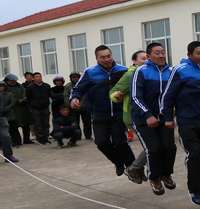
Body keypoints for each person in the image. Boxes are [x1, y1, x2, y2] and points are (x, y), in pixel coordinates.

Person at [162, 41, 200, 205]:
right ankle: (194, 189)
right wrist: (168, 117)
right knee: (194, 155)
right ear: (189, 55)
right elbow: (168, 95)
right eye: (198, 53)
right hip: (187, 121)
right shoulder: (180, 70)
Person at [71, 45, 135, 178]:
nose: (107, 59)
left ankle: (133, 167)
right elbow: (78, 88)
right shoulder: (90, 72)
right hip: (99, 114)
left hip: (119, 113)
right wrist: (75, 98)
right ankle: (118, 162)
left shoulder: (123, 70)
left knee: (120, 142)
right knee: (101, 143)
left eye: (109, 56)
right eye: (103, 57)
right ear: (96, 58)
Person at [131, 43, 176, 196]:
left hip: (164, 118)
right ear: (149, 57)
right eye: (157, 53)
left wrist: (171, 115)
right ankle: (154, 178)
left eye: (163, 52)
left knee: (169, 147)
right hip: (143, 119)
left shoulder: (171, 72)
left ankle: (166, 174)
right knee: (154, 149)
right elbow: (135, 97)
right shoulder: (141, 71)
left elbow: (174, 95)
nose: (161, 55)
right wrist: (147, 115)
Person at [109, 50, 149, 184]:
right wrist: (116, 96)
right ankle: (134, 168)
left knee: (157, 146)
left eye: (147, 58)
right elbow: (113, 92)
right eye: (143, 58)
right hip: (134, 117)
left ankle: (138, 168)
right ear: (134, 61)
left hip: (150, 116)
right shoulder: (131, 74)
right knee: (151, 146)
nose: (146, 61)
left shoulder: (152, 72)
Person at [25, 72, 52, 145]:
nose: (38, 78)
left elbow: (49, 95)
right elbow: (28, 98)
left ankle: (46, 138)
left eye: (39, 77)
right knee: (38, 124)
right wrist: (31, 106)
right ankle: (40, 139)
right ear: (33, 78)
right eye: (36, 77)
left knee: (45, 124)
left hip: (45, 107)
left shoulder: (46, 86)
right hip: (35, 108)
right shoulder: (30, 87)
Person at [64, 72, 92, 141]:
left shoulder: (84, 84)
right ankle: (78, 136)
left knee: (87, 122)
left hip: (84, 107)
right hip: (73, 107)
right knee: (75, 122)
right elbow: (66, 96)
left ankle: (88, 135)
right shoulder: (68, 86)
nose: (75, 79)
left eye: (76, 77)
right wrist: (69, 105)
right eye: (73, 77)